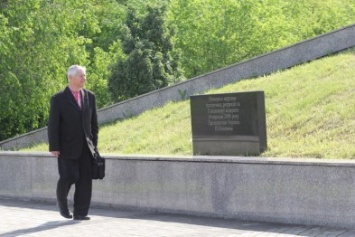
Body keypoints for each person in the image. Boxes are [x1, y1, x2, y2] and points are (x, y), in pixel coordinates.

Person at [48, 65, 99, 221]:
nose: (84, 78)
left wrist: (94, 145)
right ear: (71, 78)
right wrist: (54, 146)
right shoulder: (58, 99)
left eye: (84, 75)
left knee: (84, 180)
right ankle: (62, 204)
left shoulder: (90, 96)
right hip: (66, 147)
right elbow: (53, 124)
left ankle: (80, 213)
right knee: (68, 176)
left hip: (86, 147)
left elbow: (94, 124)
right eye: (81, 76)